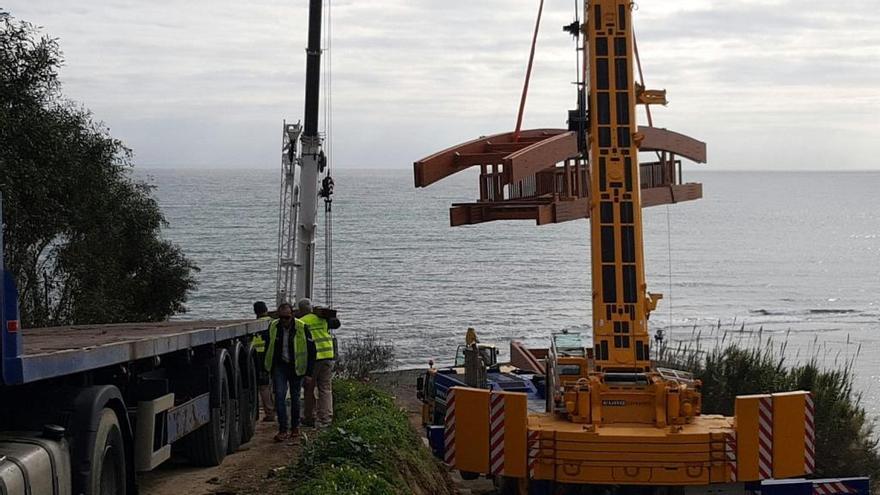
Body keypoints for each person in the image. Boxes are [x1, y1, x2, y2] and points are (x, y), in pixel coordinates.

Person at [263, 302, 315, 442]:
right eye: (281, 317)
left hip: (296, 367)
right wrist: (267, 367)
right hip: (280, 366)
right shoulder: (274, 326)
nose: (284, 321)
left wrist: (309, 374)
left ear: (292, 315)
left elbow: (311, 351)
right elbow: (269, 346)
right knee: (279, 397)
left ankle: (295, 427)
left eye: (286, 317)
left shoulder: (302, 327)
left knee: (295, 398)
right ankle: (283, 429)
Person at [298, 298, 340, 428]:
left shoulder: (301, 322)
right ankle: (326, 418)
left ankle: (309, 417)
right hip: (328, 355)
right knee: (325, 388)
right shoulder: (322, 319)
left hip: (313, 359)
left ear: (300, 310)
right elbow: (336, 323)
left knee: (309, 389)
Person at [252, 301, 275, 422]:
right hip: (274, 356)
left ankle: (269, 412)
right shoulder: (273, 322)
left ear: (255, 312)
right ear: (266, 309)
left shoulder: (253, 325)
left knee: (263, 386)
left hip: (259, 358)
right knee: (278, 384)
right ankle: (278, 409)